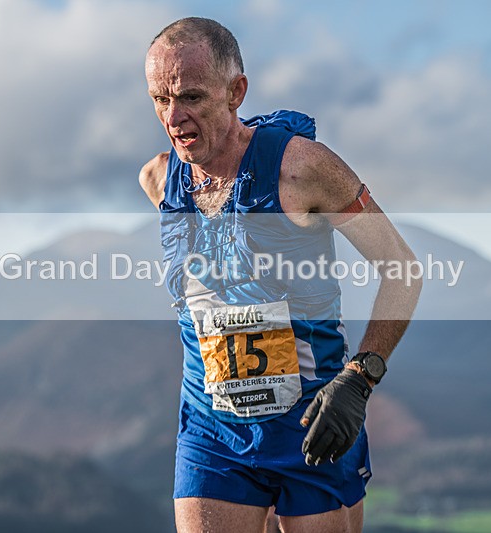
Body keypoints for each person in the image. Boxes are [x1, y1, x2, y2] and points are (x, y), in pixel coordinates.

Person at [139, 17, 421, 533]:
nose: (174, 116)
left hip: (314, 424)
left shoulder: (302, 169)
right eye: (160, 99)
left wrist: (358, 380)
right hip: (211, 430)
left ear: (235, 92)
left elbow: (402, 269)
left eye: (192, 97)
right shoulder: (159, 180)